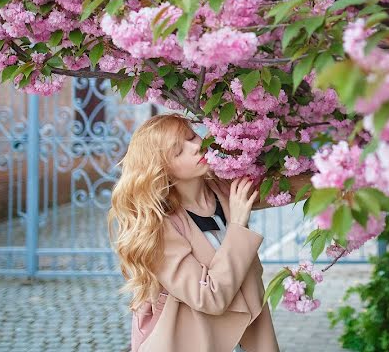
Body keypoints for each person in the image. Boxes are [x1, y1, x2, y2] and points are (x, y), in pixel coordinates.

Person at [109, 113, 308, 352]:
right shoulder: (157, 227)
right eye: (178, 150)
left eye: (192, 136)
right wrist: (237, 225)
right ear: (162, 168)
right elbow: (208, 296)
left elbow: (281, 188)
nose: (196, 146)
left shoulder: (220, 187)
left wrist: (337, 177)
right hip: (194, 340)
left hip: (249, 335)